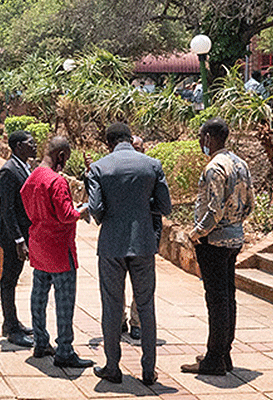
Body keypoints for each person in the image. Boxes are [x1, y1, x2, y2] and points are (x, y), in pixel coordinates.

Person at [84, 122, 171, 385]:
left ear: (108, 143)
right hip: (143, 242)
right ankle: (148, 369)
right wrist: (142, 206)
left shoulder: (99, 167)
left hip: (111, 244)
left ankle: (112, 366)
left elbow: (95, 209)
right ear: (130, 138)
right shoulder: (152, 165)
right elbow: (165, 206)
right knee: (146, 306)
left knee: (111, 306)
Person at [181, 118, 254, 376]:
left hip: (213, 241)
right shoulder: (240, 164)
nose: (200, 141)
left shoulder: (215, 167)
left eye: (201, 136)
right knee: (228, 297)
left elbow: (214, 208)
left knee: (216, 300)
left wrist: (196, 233)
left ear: (209, 138)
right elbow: (249, 204)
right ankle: (224, 353)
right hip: (234, 238)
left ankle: (213, 358)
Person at [20, 136, 95, 369]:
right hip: (60, 250)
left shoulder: (32, 177)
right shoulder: (57, 181)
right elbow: (65, 215)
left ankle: (41, 341)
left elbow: (25, 200)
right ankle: (65, 349)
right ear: (61, 156)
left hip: (39, 245)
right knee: (64, 302)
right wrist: (81, 211)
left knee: (39, 297)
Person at [117, 135, 164, 342]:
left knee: (142, 288)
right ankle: (119, 319)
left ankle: (137, 322)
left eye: (139, 148)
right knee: (117, 284)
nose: (136, 152)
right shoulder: (117, 170)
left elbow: (161, 206)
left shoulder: (151, 171)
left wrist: (155, 237)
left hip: (144, 235)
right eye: (133, 148)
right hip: (119, 237)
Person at [0, 130, 38, 348]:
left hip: (23, 234)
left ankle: (13, 322)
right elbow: (7, 210)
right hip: (14, 237)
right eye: (31, 143)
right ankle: (11, 328)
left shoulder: (23, 167)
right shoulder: (8, 172)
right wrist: (19, 240)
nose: (35, 145)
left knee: (13, 278)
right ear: (19, 146)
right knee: (9, 279)